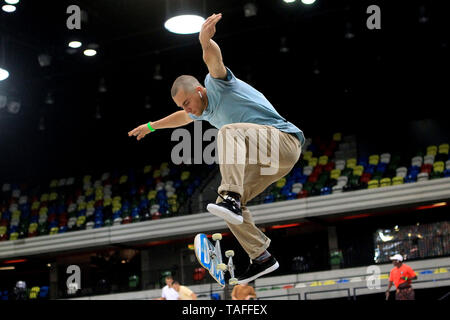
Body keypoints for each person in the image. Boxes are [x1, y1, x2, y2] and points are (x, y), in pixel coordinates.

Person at [128, 13, 304, 284]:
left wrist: (204, 40)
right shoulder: (198, 112)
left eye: (187, 102)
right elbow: (181, 119)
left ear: (198, 90)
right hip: (271, 161)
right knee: (225, 204)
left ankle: (232, 198)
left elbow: (214, 60)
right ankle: (262, 257)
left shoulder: (216, 82)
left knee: (228, 132)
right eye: (182, 106)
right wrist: (151, 126)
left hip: (284, 142)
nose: (187, 109)